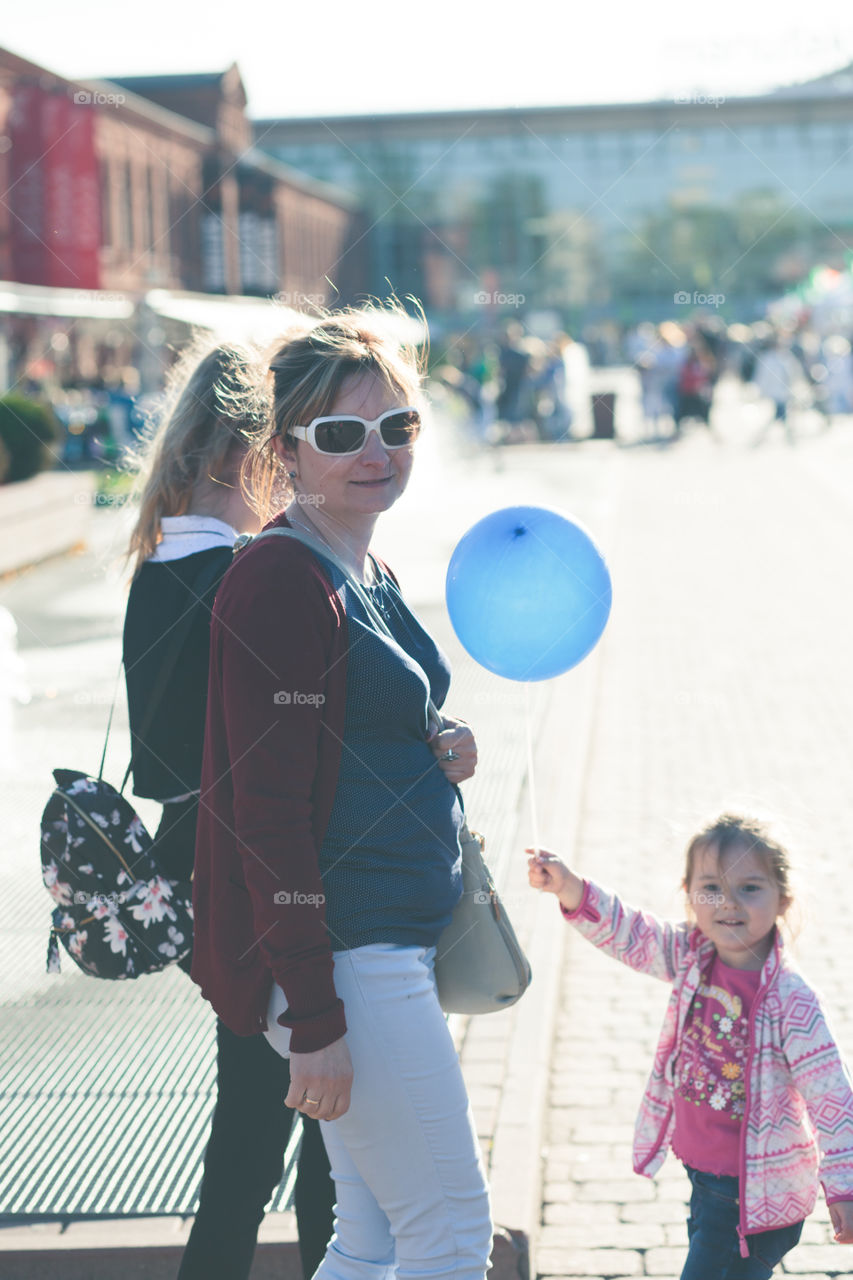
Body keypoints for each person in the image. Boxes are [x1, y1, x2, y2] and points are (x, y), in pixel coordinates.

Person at [191, 305, 494, 1280]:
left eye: (397, 426)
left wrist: (432, 740)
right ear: (289, 448)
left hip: (380, 949)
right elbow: (262, 815)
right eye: (341, 433)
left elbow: (348, 723)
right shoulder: (281, 579)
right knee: (449, 1237)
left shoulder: (362, 561)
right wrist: (314, 1017)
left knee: (368, 1241)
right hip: (351, 963)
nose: (376, 451)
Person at [122, 335, 336, 1280]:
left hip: (206, 884)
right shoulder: (243, 581)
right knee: (323, 1147)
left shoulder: (156, 570)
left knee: (246, 1141)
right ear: (257, 455)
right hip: (269, 886)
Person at [527, 813, 853, 1278]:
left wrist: (845, 1187)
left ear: (784, 898)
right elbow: (632, 933)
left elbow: (832, 1096)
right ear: (689, 895)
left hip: (751, 1197)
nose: (728, 903)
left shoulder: (790, 1000)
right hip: (705, 1178)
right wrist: (571, 888)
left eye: (750, 887)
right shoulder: (692, 955)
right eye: (711, 889)